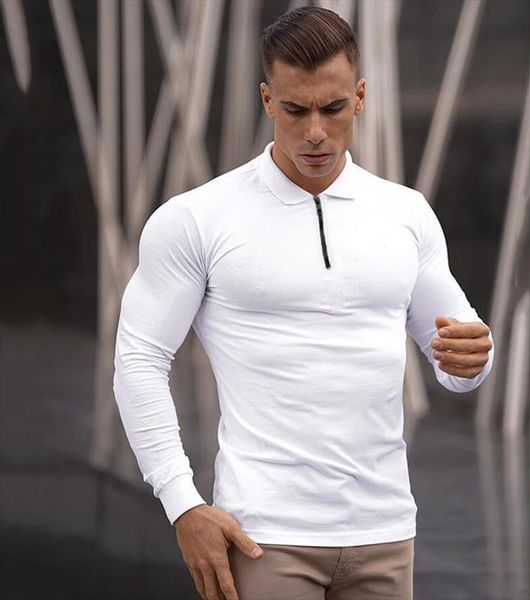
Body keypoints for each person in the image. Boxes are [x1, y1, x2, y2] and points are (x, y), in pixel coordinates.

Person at [113, 6, 494, 600]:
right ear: (268, 101)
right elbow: (138, 361)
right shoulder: (197, 219)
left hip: (387, 532)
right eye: (296, 110)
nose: (315, 131)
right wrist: (182, 504)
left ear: (359, 98)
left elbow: (457, 364)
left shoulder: (406, 213)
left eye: (333, 108)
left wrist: (474, 360)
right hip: (263, 537)